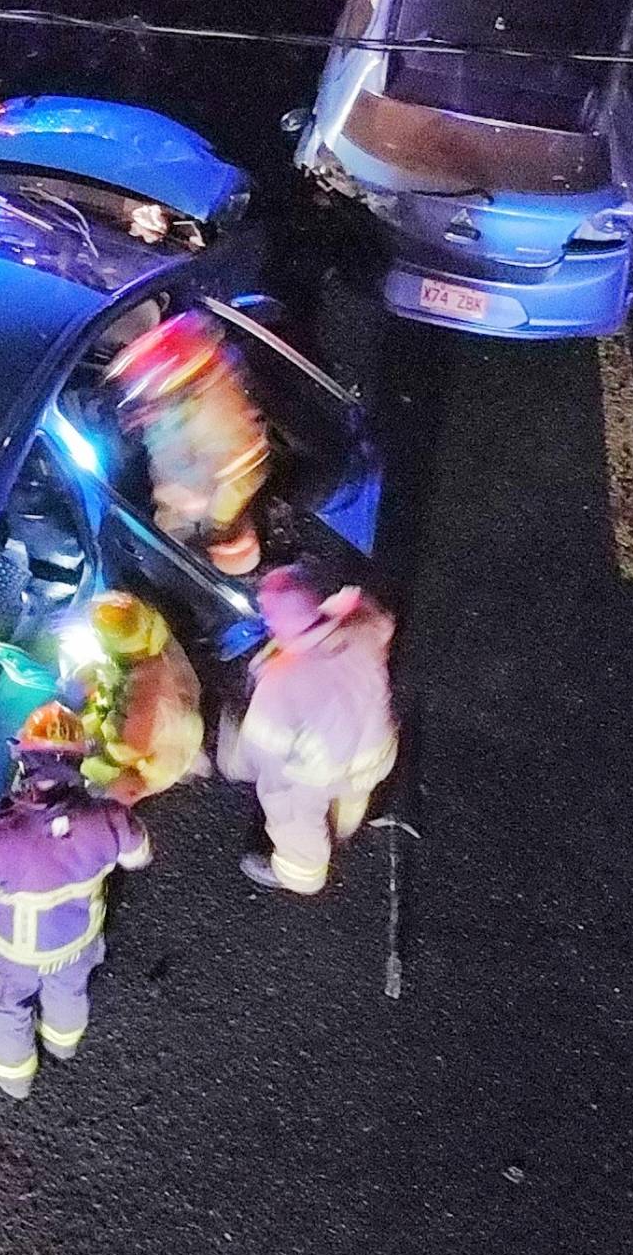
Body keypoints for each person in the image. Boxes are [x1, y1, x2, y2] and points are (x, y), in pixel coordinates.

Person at [0, 703, 151, 1099]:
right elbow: (140, 856)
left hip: (15, 957)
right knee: (69, 991)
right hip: (79, 943)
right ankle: (61, 1042)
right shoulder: (108, 817)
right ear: (78, 762)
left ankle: (12, 1075)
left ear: (25, 763)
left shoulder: (2, 837)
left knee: (4, 1010)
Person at [218, 565, 397, 896]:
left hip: (320, 772)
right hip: (377, 751)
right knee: (355, 794)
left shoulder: (281, 682)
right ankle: (345, 828)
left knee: (289, 813)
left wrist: (233, 758)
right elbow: (378, 619)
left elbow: (261, 750)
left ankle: (302, 872)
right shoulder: (360, 628)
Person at [105, 305, 271, 577]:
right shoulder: (230, 487)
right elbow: (211, 422)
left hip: (163, 369)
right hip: (166, 366)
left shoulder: (234, 488)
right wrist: (161, 410)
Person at [65, 590, 207, 806]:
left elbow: (132, 749)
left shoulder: (146, 693)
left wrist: (90, 748)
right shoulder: (149, 640)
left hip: (137, 765)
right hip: (156, 737)